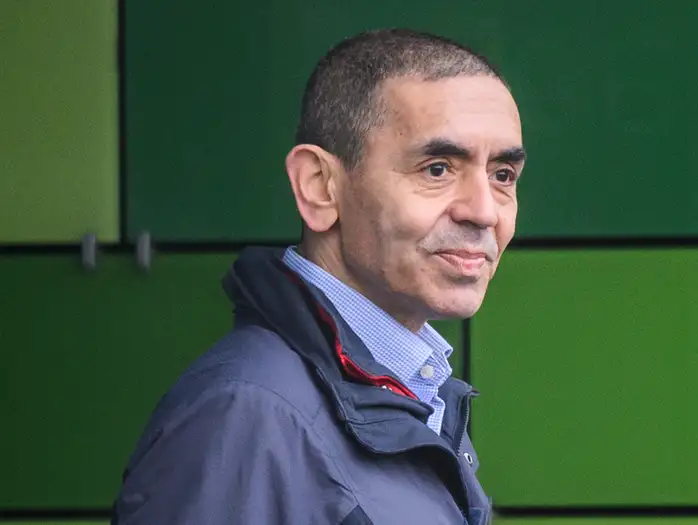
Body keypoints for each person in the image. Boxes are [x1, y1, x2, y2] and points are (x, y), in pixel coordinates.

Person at [112, 28, 525, 525]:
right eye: (437, 169)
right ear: (319, 186)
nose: (484, 212)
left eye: (503, 176)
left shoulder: (416, 389)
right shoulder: (244, 416)